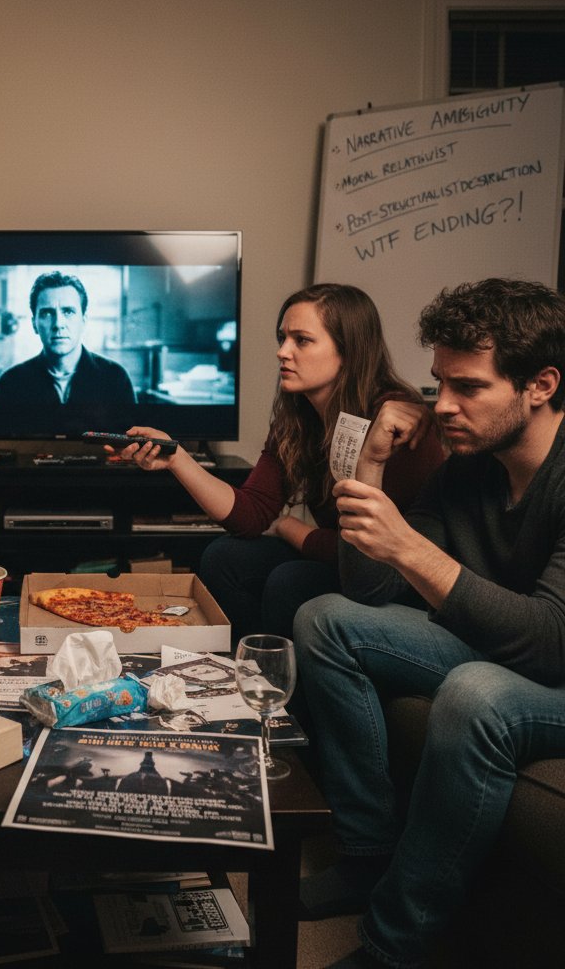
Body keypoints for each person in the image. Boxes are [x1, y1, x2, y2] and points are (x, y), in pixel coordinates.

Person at [294, 279, 565, 968]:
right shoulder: (470, 465)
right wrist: (373, 465)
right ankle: (366, 852)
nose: (441, 405)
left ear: (541, 385)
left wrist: (411, 549)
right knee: (325, 620)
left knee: (477, 694)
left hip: (553, 671)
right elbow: (369, 587)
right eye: (439, 382)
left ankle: (394, 947)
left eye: (467, 387)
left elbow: (551, 644)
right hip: (493, 645)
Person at [118, 283, 445, 637]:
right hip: (343, 557)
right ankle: (242, 664)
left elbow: (373, 556)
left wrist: (293, 529)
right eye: (283, 338)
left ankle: (278, 671)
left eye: (301, 340)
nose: (282, 352)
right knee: (224, 556)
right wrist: (177, 458)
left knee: (290, 579)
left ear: (348, 350)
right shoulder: (299, 418)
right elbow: (251, 515)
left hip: (393, 579)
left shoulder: (395, 423)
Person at [0, 270, 135, 408]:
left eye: (68, 312)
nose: (58, 324)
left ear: (83, 321)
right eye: (47, 313)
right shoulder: (11, 383)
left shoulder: (116, 378)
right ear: (34, 324)